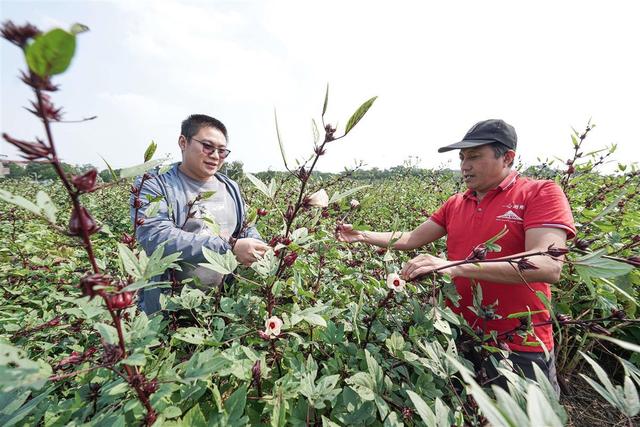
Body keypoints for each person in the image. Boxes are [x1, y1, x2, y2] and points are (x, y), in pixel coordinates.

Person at [336, 119, 575, 393]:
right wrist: (362, 235)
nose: (465, 165)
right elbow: (412, 238)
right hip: (460, 335)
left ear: (507, 157)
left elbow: (547, 264)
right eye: (462, 157)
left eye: (474, 156)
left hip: (520, 342)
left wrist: (456, 266)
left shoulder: (540, 193)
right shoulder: (456, 203)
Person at [132, 114, 269, 314]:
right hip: (169, 308)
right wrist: (229, 247)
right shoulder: (154, 183)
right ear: (183, 142)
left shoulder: (230, 187)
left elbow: (245, 228)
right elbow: (157, 237)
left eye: (222, 151)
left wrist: (259, 247)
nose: (215, 155)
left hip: (222, 307)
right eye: (207, 146)